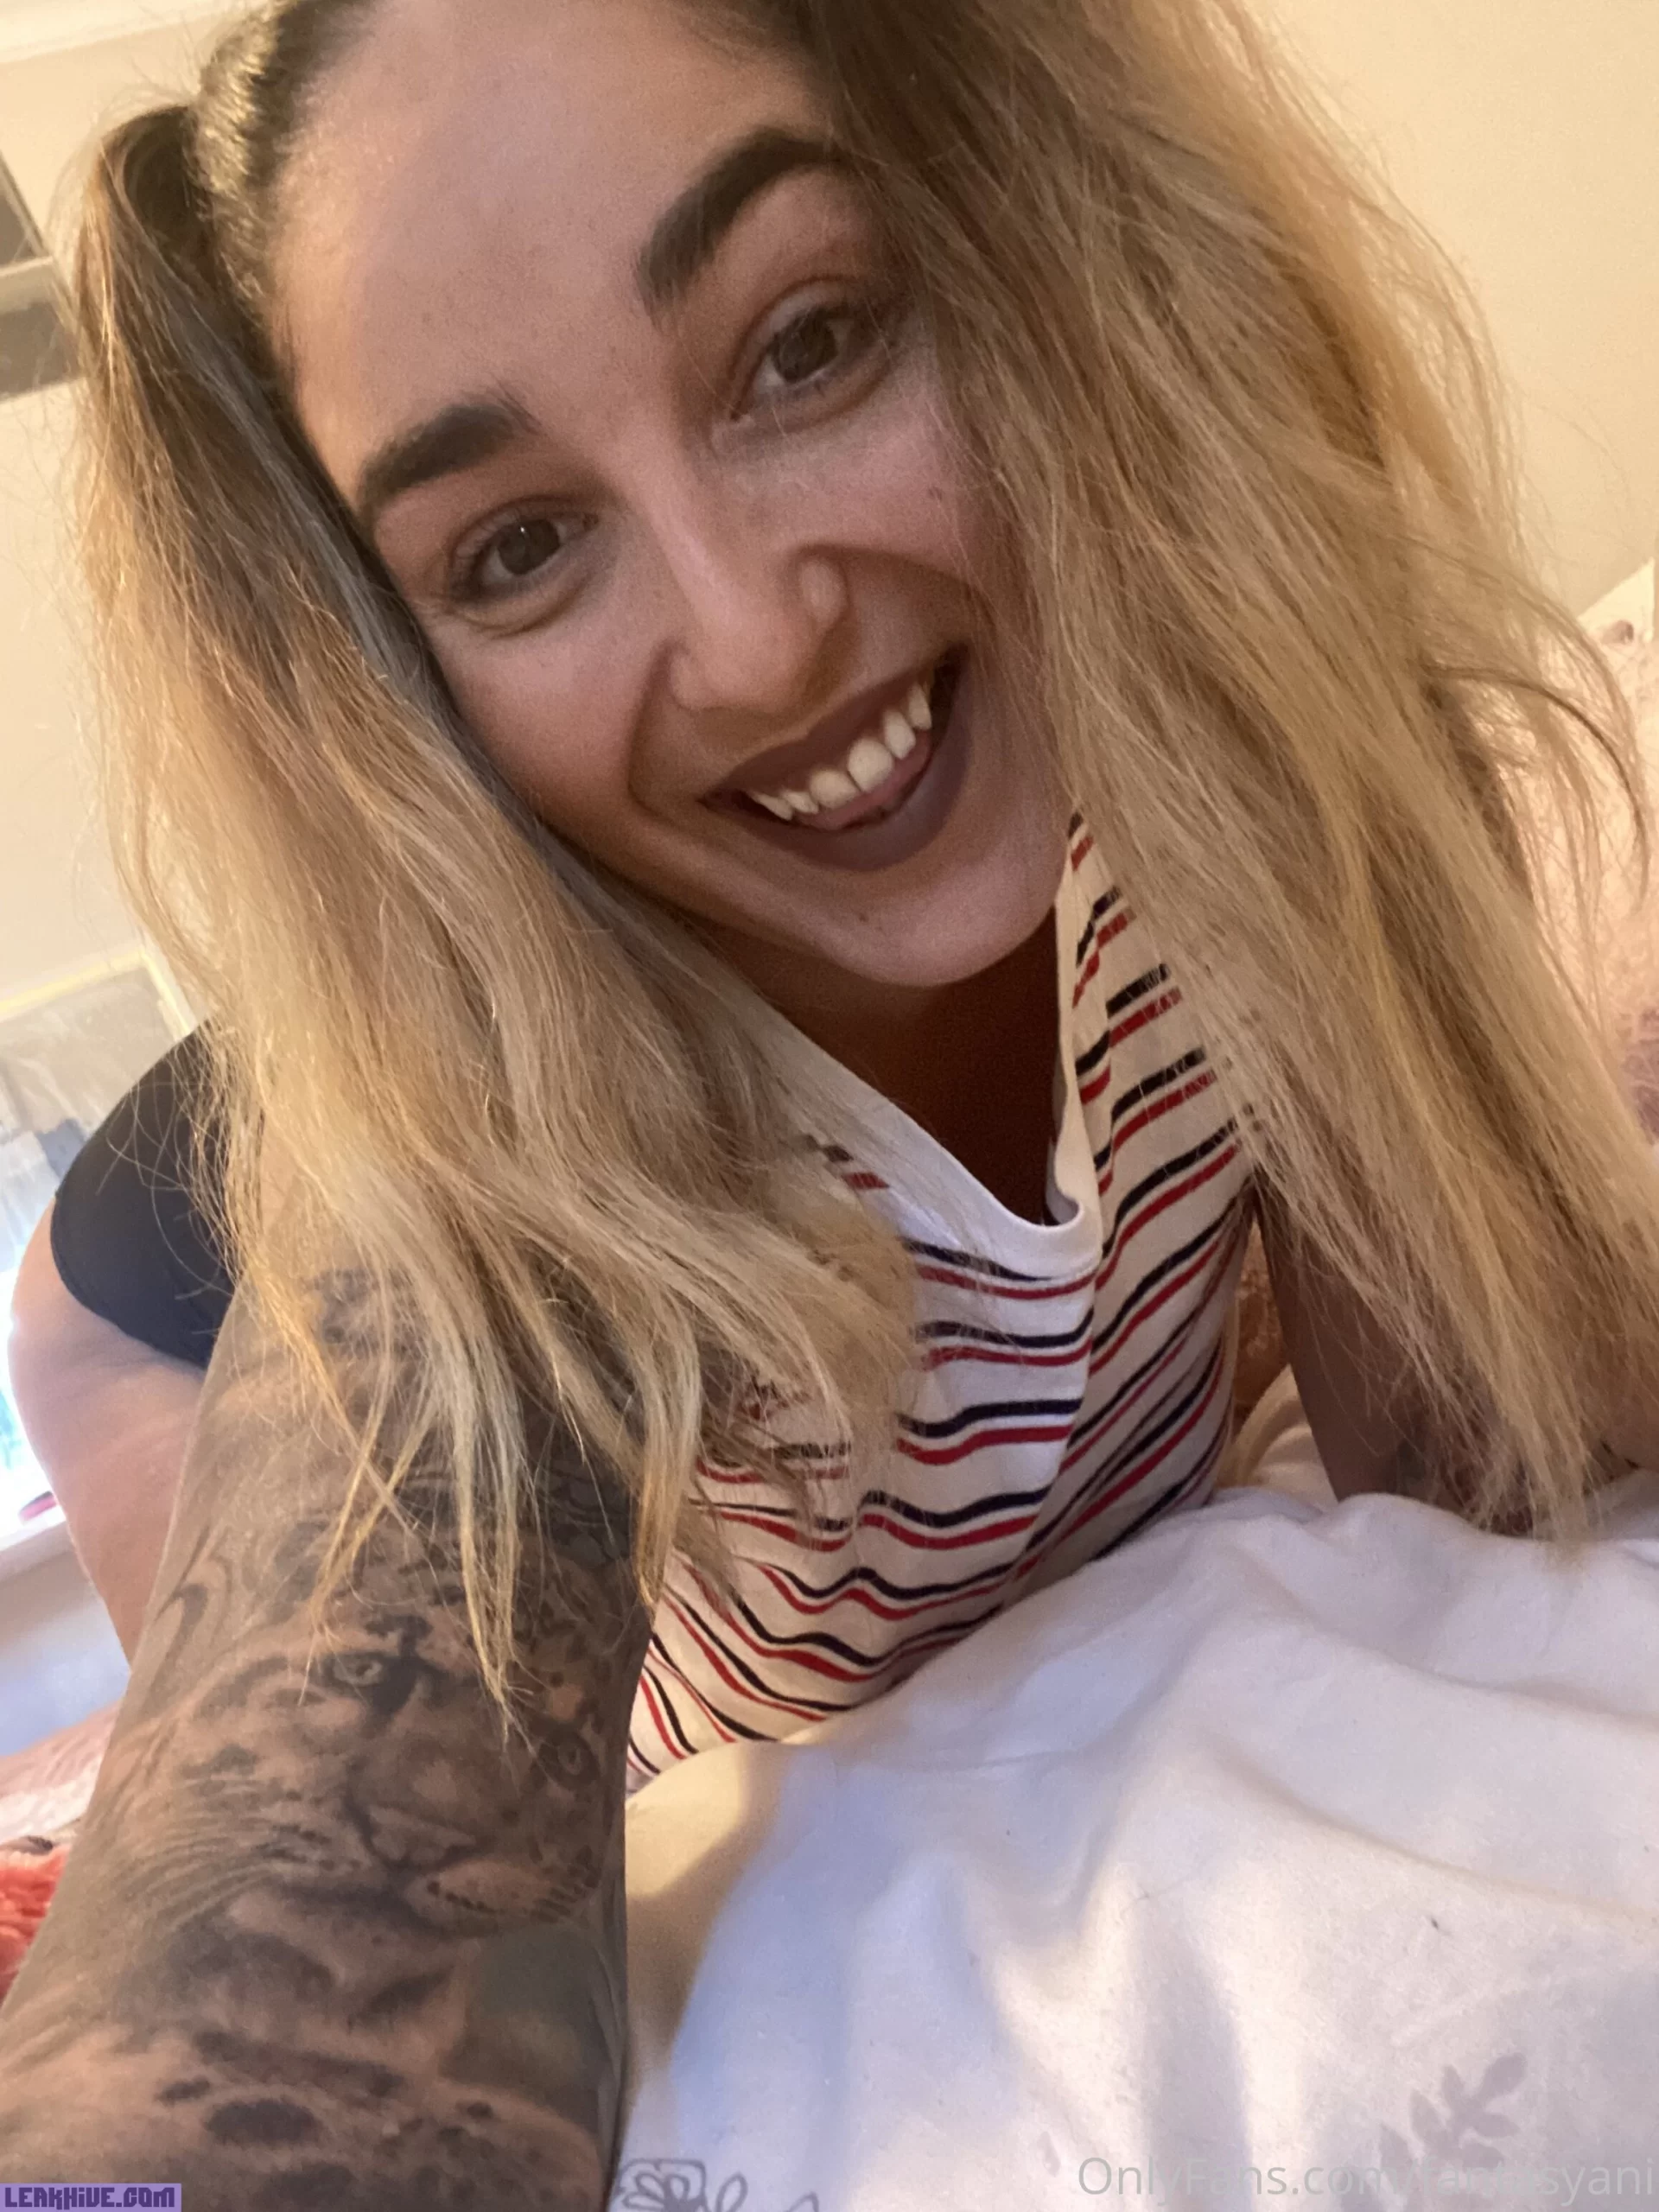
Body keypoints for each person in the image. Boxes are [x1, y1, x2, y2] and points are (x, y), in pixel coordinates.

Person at [3, 0, 1658, 2196]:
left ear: (1042, 246)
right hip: (152, 1286)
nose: (760, 638)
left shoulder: (1256, 757)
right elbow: (254, 2029)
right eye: (514, 547)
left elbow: (1475, 1473)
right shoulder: (482, 1178)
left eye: (811, 344)